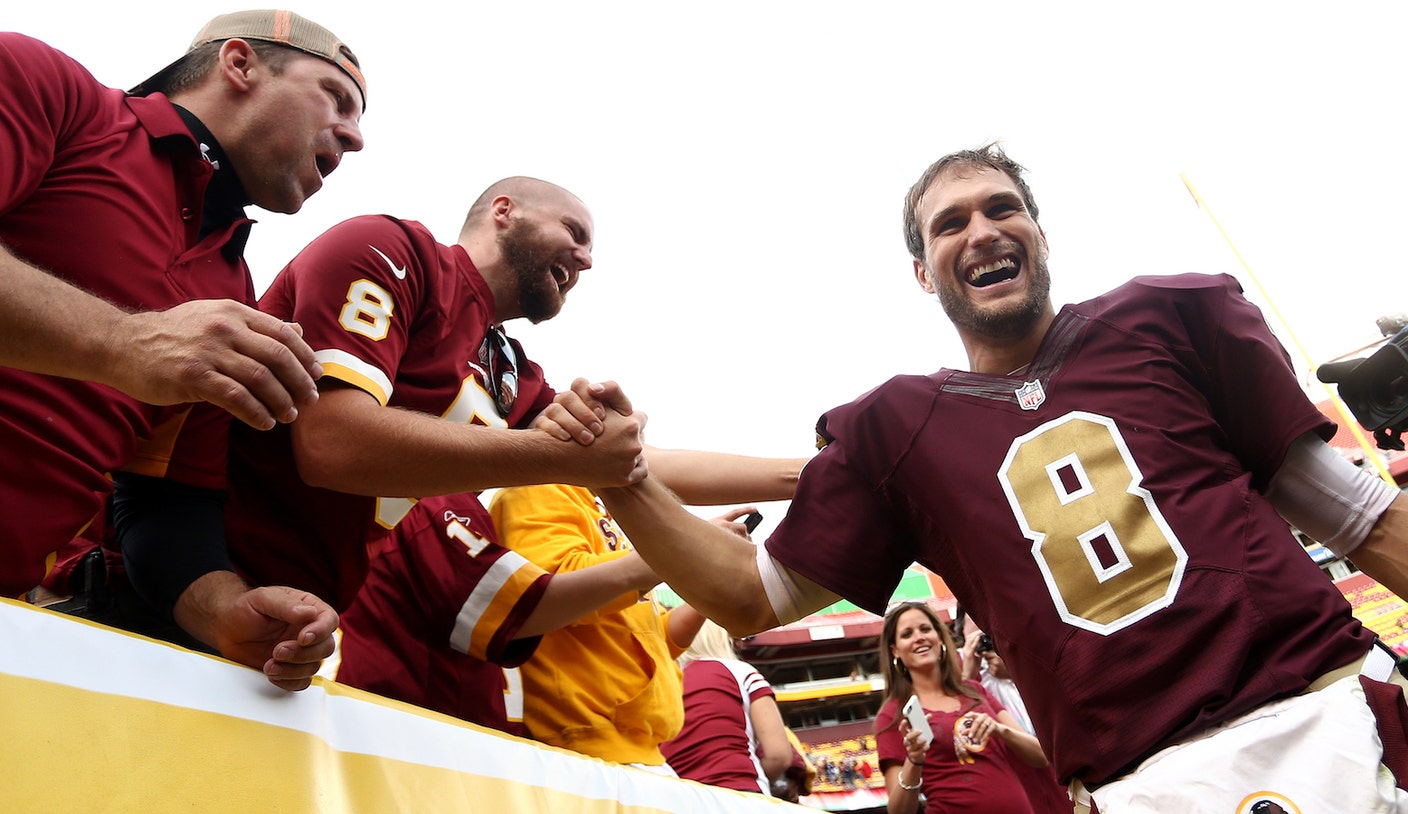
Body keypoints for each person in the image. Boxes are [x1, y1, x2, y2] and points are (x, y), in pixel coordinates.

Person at [591, 143, 1408, 813]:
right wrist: (621, 477)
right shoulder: (897, 430)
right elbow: (747, 593)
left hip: (1329, 705)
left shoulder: (1170, 318)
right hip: (1140, 784)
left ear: (1041, 235)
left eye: (1001, 208)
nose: (981, 230)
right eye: (950, 223)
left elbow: (1359, 515)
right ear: (923, 272)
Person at [219, 176, 803, 614]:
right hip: (199, 564)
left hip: (300, 604)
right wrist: (564, 457)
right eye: (574, 233)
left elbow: (631, 464)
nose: (587, 259)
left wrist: (807, 475)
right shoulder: (392, 250)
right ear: (504, 211)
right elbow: (332, 444)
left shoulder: (508, 366)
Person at [1, 9, 367, 690]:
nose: (354, 136)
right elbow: (133, 348)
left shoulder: (231, 294)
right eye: (336, 97)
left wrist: (227, 612)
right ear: (239, 64)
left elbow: (163, 509)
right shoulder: (54, 92)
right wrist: (124, 341)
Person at [327, 490, 665, 734]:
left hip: (460, 739)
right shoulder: (433, 498)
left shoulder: (453, 498)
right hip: (423, 737)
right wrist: (671, 554)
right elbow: (523, 612)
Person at [490, 483, 747, 772]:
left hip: (636, 750)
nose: (636, 439)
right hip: (584, 746)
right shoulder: (538, 487)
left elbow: (654, 639)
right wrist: (687, 548)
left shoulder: (599, 507)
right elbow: (556, 587)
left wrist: (704, 574)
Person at [877, 601, 1048, 814]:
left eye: (925, 629)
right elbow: (899, 811)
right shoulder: (893, 715)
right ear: (895, 651)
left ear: (939, 637)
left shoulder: (975, 691)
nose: (919, 637)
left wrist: (999, 730)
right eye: (907, 634)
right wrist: (914, 760)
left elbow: (1041, 757)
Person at [661, 619, 792, 794]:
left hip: (683, 800)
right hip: (742, 792)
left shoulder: (662, 686)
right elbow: (779, 756)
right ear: (719, 638)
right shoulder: (741, 672)